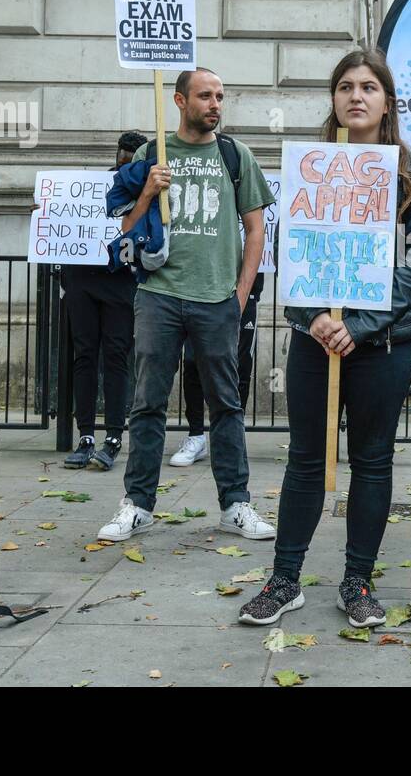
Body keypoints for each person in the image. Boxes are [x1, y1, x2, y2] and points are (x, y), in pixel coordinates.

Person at [238, 48, 411, 628]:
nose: (356, 95)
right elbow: (290, 254)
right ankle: (284, 580)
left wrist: (360, 326)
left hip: (385, 346)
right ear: (333, 99)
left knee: (372, 461)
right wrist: (312, 319)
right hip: (314, 341)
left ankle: (357, 582)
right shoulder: (308, 167)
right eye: (346, 86)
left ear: (387, 101)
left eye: (368, 87)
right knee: (305, 457)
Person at [98, 68, 276, 542]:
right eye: (205, 96)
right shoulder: (149, 154)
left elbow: (256, 229)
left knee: (227, 405)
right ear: (179, 101)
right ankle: (137, 504)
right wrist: (149, 193)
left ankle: (236, 505)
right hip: (158, 295)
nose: (215, 104)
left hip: (217, 299)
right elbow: (126, 230)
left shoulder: (235, 156)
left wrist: (240, 294)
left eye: (220, 95)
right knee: (148, 403)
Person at [62, 131, 146, 470]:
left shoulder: (145, 191)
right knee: (84, 355)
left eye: (131, 155)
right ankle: (85, 434)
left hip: (120, 282)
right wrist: (49, 216)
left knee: (115, 357)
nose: (123, 159)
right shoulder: (94, 185)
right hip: (82, 277)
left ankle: (113, 435)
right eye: (121, 153)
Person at [170, 270, 265, 467]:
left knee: (241, 364)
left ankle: (232, 438)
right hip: (200, 288)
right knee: (192, 360)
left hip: (243, 289)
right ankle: (196, 435)